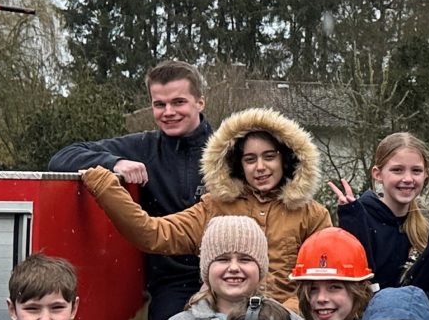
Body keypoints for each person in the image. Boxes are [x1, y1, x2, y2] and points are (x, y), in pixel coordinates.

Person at [80, 106, 328, 309]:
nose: (260, 167)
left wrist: (287, 314)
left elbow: (320, 279)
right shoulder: (214, 207)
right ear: (237, 164)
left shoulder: (312, 215)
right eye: (250, 159)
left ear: (286, 158)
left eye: (269, 156)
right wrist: (106, 187)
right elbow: (153, 234)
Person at [46, 59, 211, 320]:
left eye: (178, 102)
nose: (168, 112)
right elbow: (62, 157)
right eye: (159, 104)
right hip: (171, 283)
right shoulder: (142, 147)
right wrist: (114, 163)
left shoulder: (228, 148)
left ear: (200, 103)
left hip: (230, 273)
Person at [142, 215, 291, 320]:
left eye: (245, 259)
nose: (234, 268)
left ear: (261, 268)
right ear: (206, 268)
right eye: (223, 259)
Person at [330, 131, 429, 295]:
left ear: (426, 174)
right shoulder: (362, 218)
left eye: (416, 171)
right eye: (397, 170)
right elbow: (358, 286)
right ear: (378, 174)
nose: (407, 178)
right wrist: (352, 221)